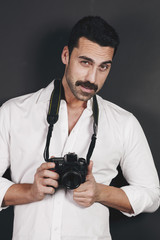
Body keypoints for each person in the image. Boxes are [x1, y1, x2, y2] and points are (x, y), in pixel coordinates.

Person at [0, 16, 159, 240]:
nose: (92, 78)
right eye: (85, 62)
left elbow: (151, 195)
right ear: (66, 55)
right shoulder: (13, 112)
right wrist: (29, 191)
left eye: (103, 67)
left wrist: (101, 192)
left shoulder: (124, 123)